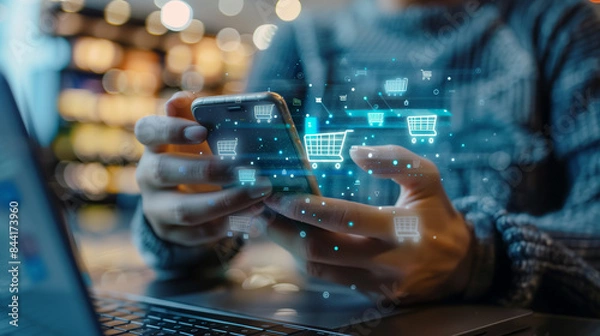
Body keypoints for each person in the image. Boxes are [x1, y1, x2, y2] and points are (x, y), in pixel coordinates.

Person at [132, 0, 600, 317]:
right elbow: (242, 209)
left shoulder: (560, 25)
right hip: (322, 319)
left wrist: (482, 258)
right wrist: (192, 225)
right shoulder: (303, 38)